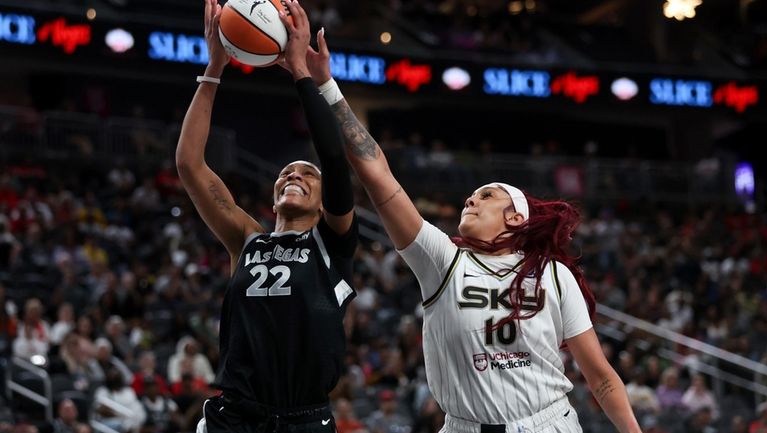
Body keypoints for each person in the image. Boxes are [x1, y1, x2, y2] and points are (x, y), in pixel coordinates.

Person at [302, 30, 642, 433]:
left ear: (516, 217)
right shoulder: (442, 259)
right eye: (471, 196)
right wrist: (325, 84)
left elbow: (601, 377)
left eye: (486, 195)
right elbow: (378, 176)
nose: (471, 200)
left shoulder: (552, 274)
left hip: (548, 423)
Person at [177, 1, 357, 432]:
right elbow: (189, 164)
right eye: (286, 173)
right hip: (235, 416)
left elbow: (333, 157)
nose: (294, 175)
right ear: (273, 200)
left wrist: (300, 71)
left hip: (304, 418)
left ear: (323, 200)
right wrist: (214, 67)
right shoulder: (247, 239)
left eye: (306, 175)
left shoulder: (333, 241)